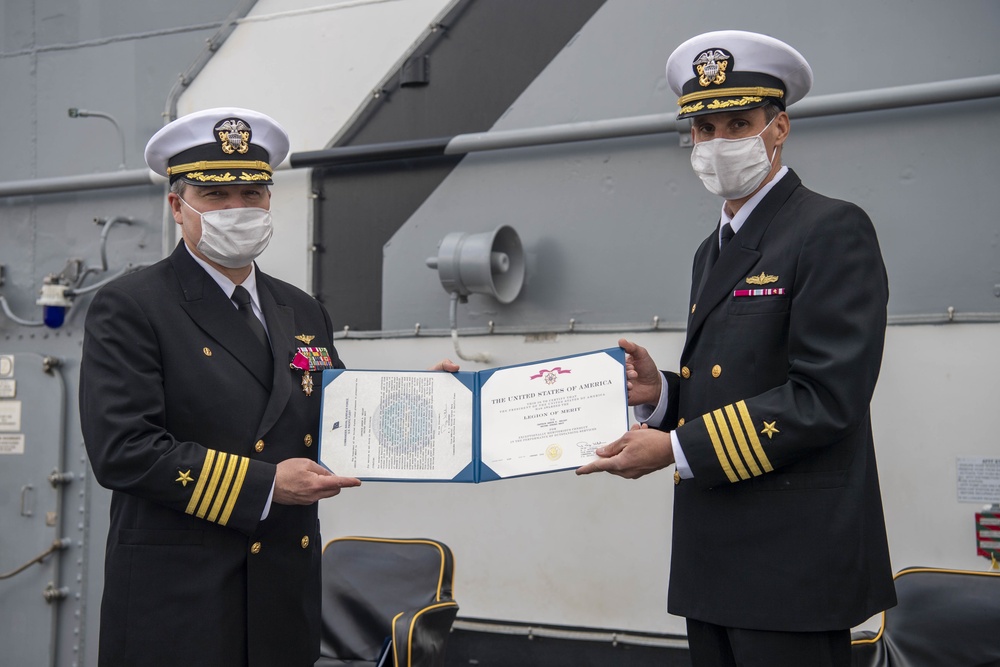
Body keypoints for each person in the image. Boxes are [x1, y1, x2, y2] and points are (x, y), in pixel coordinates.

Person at [80, 107, 456, 667]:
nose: (238, 209)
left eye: (252, 193)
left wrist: (415, 405)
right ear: (177, 205)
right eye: (216, 195)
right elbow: (123, 451)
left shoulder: (299, 308)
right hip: (182, 597)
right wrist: (264, 485)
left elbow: (332, 416)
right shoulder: (133, 306)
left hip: (283, 594)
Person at [577, 31, 896, 666]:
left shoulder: (830, 228)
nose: (718, 144)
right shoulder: (714, 248)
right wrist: (663, 395)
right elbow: (739, 378)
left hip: (792, 562)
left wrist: (674, 448)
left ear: (778, 129)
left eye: (738, 124)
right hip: (716, 556)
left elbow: (826, 397)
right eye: (703, 129)